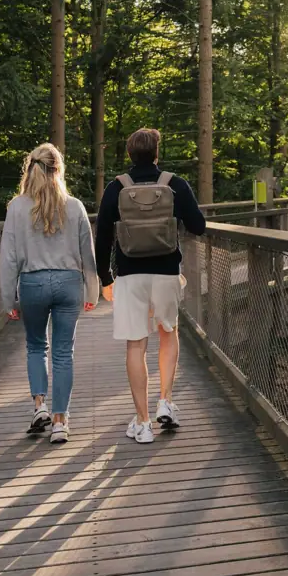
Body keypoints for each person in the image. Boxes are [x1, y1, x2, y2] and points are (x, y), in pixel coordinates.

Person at [95, 128, 206, 444]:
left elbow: (102, 237)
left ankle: (143, 423)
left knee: (135, 344)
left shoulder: (116, 188)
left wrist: (105, 279)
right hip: (167, 272)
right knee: (168, 333)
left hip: (129, 276)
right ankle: (165, 402)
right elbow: (198, 226)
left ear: (130, 155)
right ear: (157, 153)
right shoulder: (175, 184)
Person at [0, 143, 98, 444]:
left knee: (35, 346)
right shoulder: (75, 205)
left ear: (30, 169)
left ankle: (39, 407)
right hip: (69, 283)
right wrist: (92, 290)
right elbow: (87, 255)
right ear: (59, 169)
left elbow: (9, 257)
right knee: (63, 353)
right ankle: (60, 422)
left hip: (32, 284)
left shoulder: (17, 207)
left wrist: (7, 298)